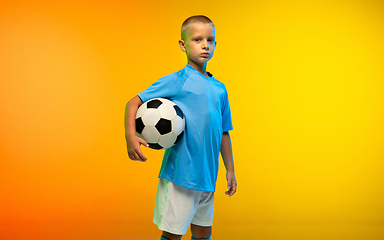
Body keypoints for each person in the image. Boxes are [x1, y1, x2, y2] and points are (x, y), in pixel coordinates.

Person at [125, 15, 236, 240]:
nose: (205, 45)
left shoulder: (219, 88)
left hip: (207, 176)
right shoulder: (178, 80)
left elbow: (224, 131)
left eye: (210, 40)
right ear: (183, 45)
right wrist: (130, 135)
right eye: (197, 39)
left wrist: (230, 170)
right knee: (174, 233)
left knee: (204, 231)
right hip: (181, 176)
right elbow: (133, 102)